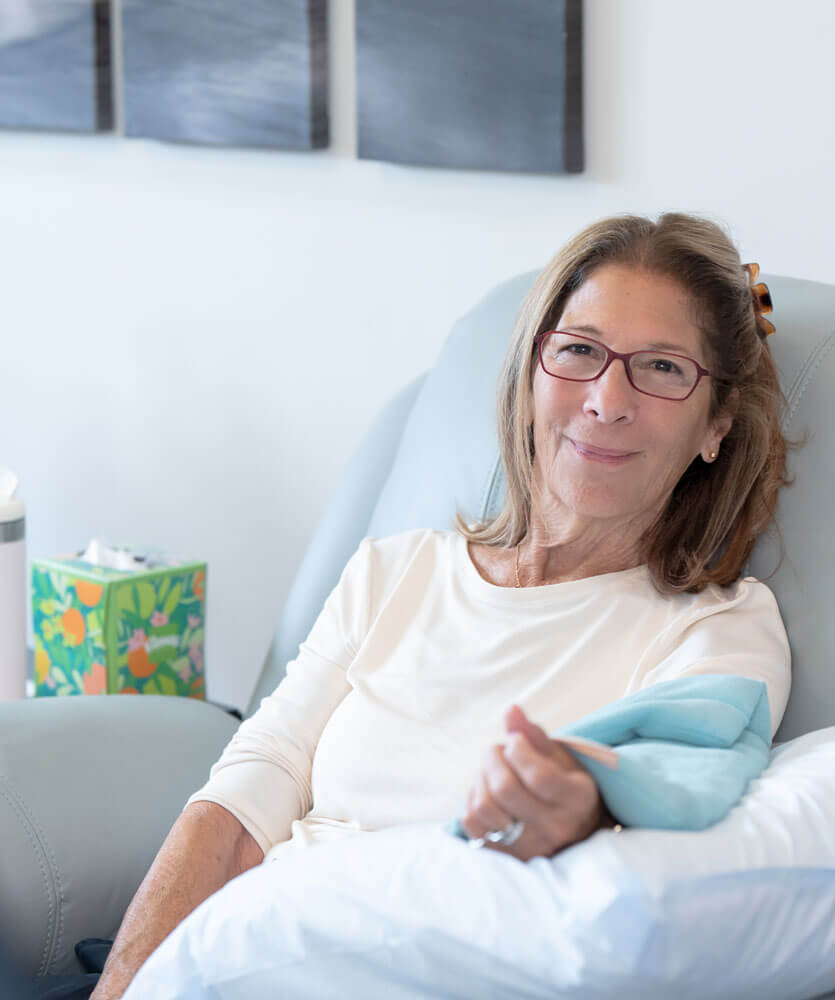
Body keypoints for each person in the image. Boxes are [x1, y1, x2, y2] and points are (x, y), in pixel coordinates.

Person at [45, 212, 796, 1000]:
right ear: (531, 373)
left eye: (664, 368)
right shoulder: (395, 572)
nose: (607, 400)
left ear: (717, 424)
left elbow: (682, 781)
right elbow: (241, 801)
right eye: (579, 351)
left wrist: (580, 802)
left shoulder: (718, 627)